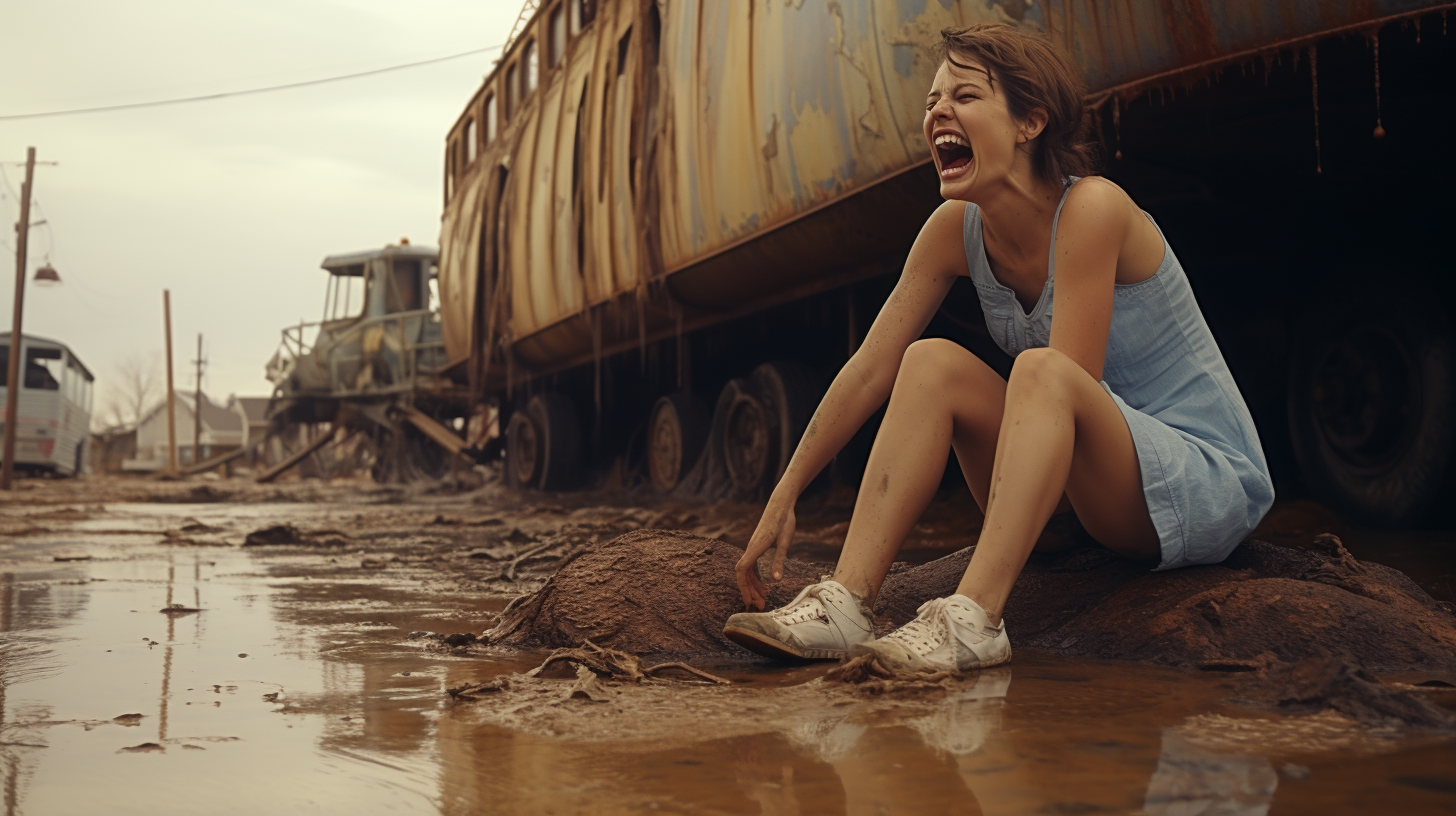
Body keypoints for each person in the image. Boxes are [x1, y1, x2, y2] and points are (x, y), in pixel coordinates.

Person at [721, 23, 1274, 674]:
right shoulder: (954, 230)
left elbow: (1069, 387)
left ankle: (976, 618)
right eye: (931, 101)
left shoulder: (1093, 210)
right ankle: (848, 602)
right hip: (1076, 499)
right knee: (928, 362)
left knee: (1044, 371)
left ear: (1029, 122)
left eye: (964, 96)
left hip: (1197, 481)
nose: (938, 114)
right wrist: (784, 494)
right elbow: (870, 368)